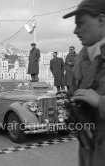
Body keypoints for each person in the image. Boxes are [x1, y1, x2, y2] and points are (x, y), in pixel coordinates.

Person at [63, 0, 105, 165]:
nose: (75, 30)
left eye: (81, 24)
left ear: (101, 20)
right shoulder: (87, 56)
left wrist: (99, 101)